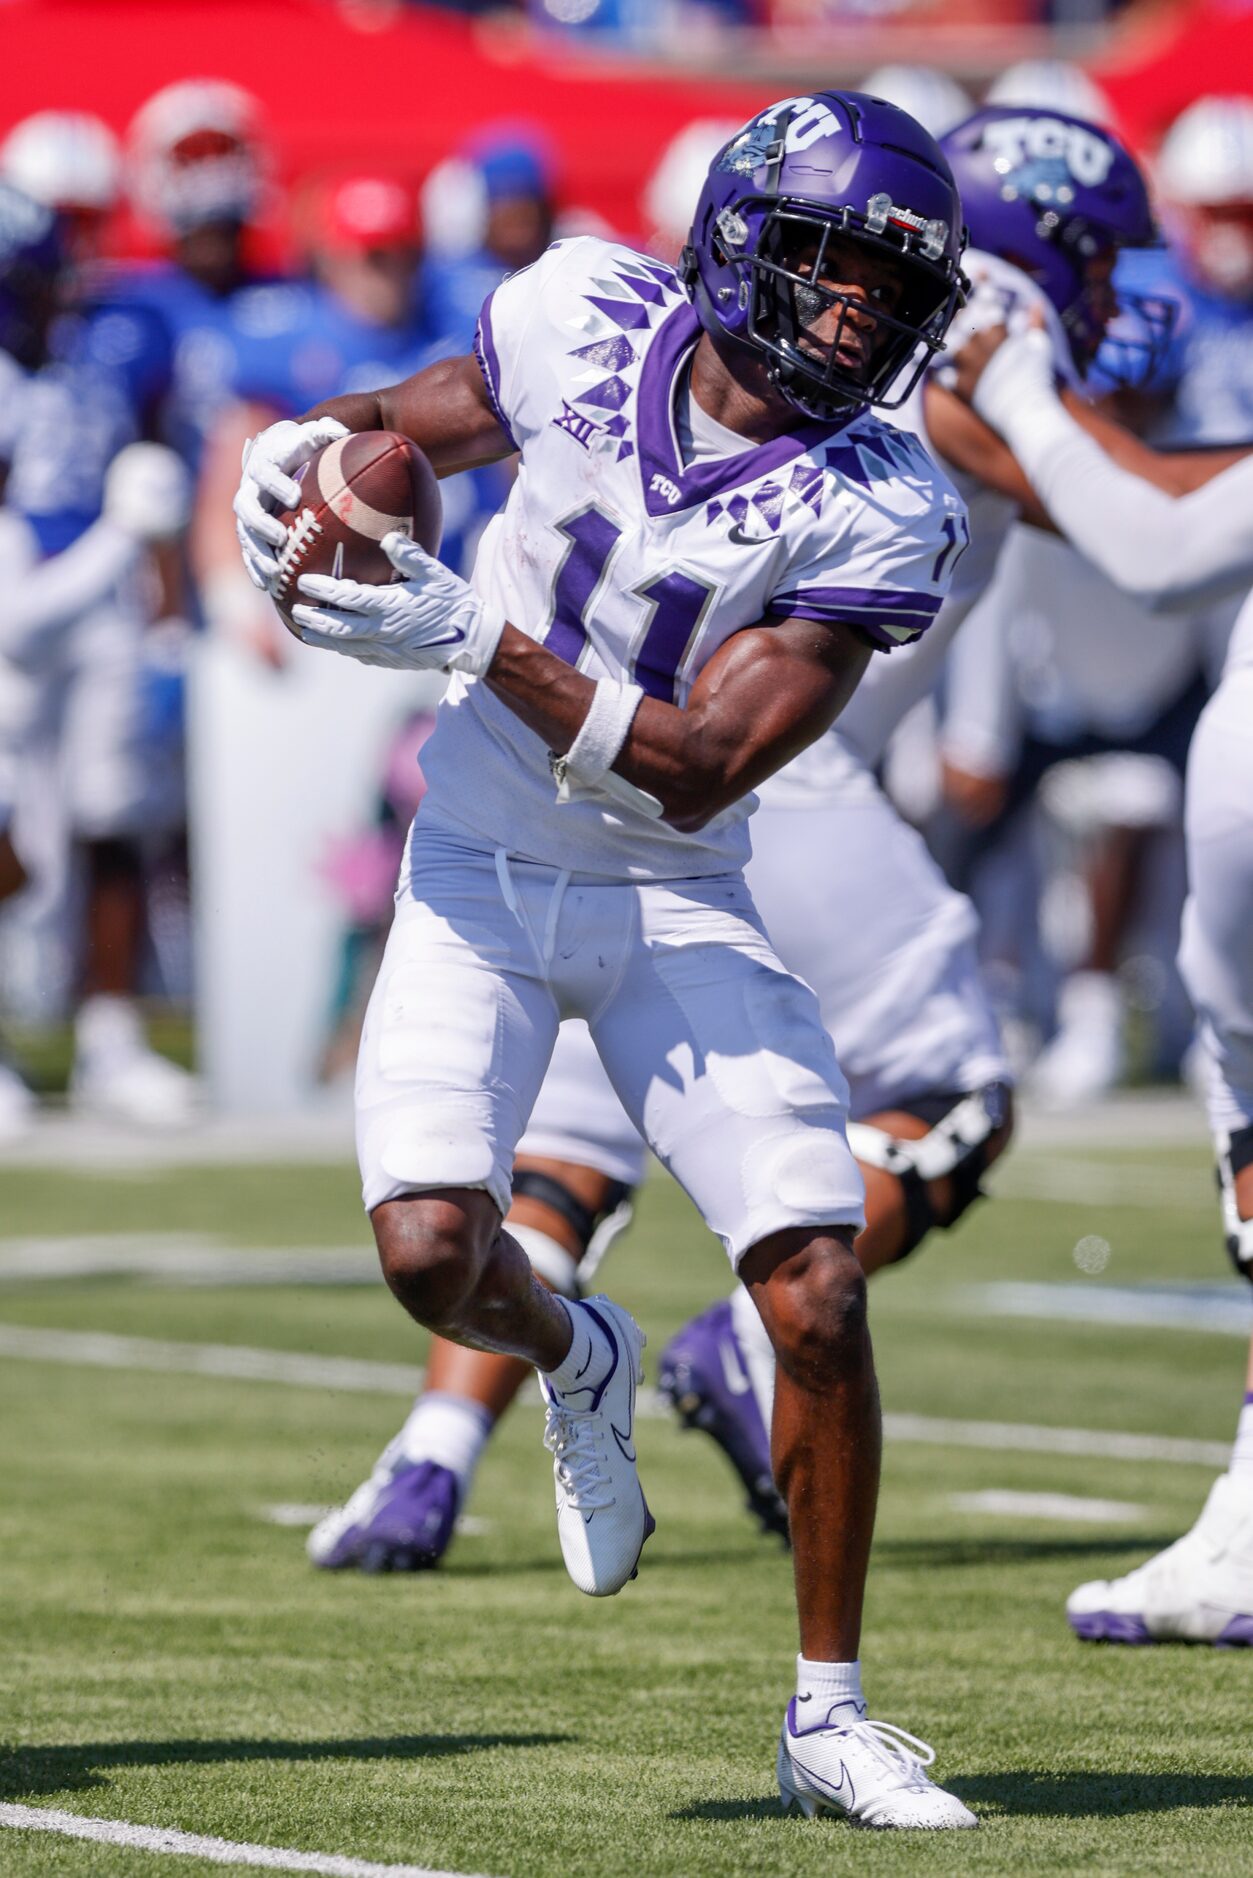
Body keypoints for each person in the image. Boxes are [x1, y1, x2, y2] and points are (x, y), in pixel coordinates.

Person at [306, 104, 1253, 1559]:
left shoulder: (815, 357)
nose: (1113, 298)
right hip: (744, 785)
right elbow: (1150, 532)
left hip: (626, 778)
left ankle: (432, 1451)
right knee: (948, 1091)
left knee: (565, 1143)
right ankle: (745, 1350)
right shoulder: (925, 396)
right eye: (1089, 262)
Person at [237, 91, 983, 1830]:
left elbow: (704, 759)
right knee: (432, 1254)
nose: (856, 309)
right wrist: (306, 461)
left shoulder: (880, 500)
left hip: (674, 898)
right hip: (481, 871)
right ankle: (573, 1349)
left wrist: (469, 628)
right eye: (825, 262)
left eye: (890, 284)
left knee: (811, 1284)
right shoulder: (578, 311)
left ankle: (827, 1713)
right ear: (733, 237)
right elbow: (395, 422)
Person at [0, 183, 192, 1126]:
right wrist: (125, 538)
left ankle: (109, 1039)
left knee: (115, 816)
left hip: (93, 609)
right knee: (8, 840)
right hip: (22, 607)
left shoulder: (96, 348)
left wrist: (154, 591)